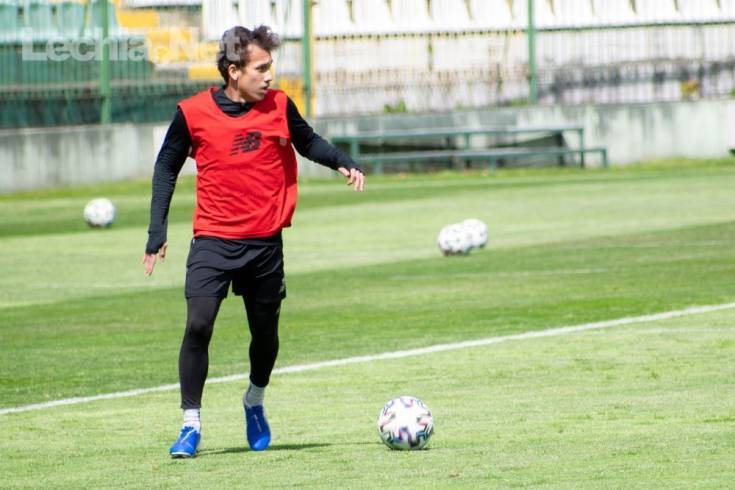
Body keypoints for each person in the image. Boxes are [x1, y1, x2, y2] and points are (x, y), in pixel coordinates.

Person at [142, 25, 365, 458]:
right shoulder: (192, 113)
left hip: (264, 244)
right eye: (260, 68)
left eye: (270, 67)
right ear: (233, 71)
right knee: (198, 324)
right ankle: (190, 424)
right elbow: (166, 166)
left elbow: (308, 142)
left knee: (265, 336)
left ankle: (254, 400)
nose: (269, 76)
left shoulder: (279, 105)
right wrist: (157, 232)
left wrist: (342, 161)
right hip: (213, 240)